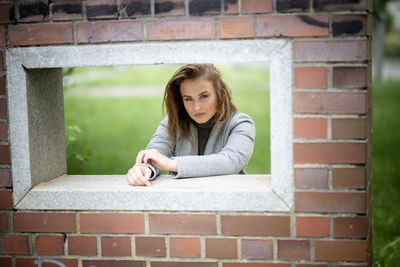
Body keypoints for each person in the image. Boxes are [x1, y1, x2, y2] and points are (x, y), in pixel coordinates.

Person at [126, 64, 255, 186]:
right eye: (188, 99)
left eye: (204, 96)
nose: (197, 107)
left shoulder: (241, 124)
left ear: (219, 94)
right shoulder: (174, 121)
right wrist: (143, 168)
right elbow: (156, 151)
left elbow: (231, 161)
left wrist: (172, 164)